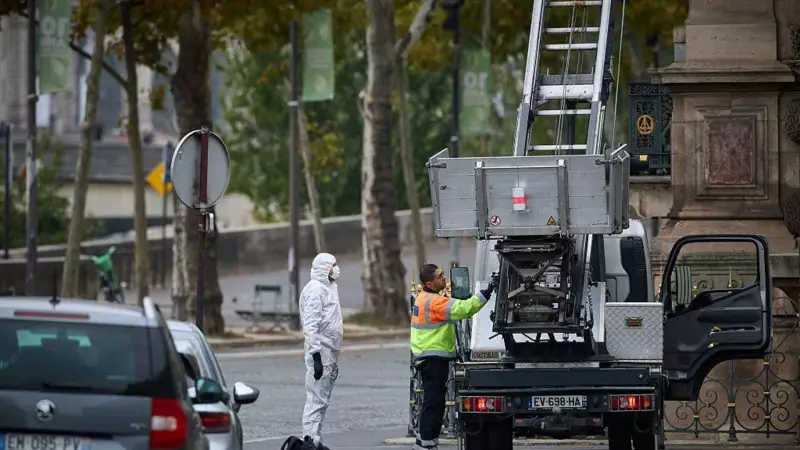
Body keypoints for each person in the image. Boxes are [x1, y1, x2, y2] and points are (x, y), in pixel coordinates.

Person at [411, 264, 497, 450]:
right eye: (440, 276)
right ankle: (426, 444)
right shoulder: (434, 302)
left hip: (427, 356)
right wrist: (487, 292)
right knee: (434, 402)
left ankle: (424, 440)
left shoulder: (423, 298)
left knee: (431, 401)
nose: (445, 279)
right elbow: (464, 308)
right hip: (434, 357)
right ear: (429, 283)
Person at [299, 252, 343, 449]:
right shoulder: (316, 290)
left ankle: (315, 438)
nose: (336, 268)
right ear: (324, 268)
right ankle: (309, 439)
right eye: (333, 265)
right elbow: (311, 325)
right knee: (316, 398)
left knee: (322, 399)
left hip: (329, 352)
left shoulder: (328, 288)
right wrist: (316, 355)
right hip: (321, 352)